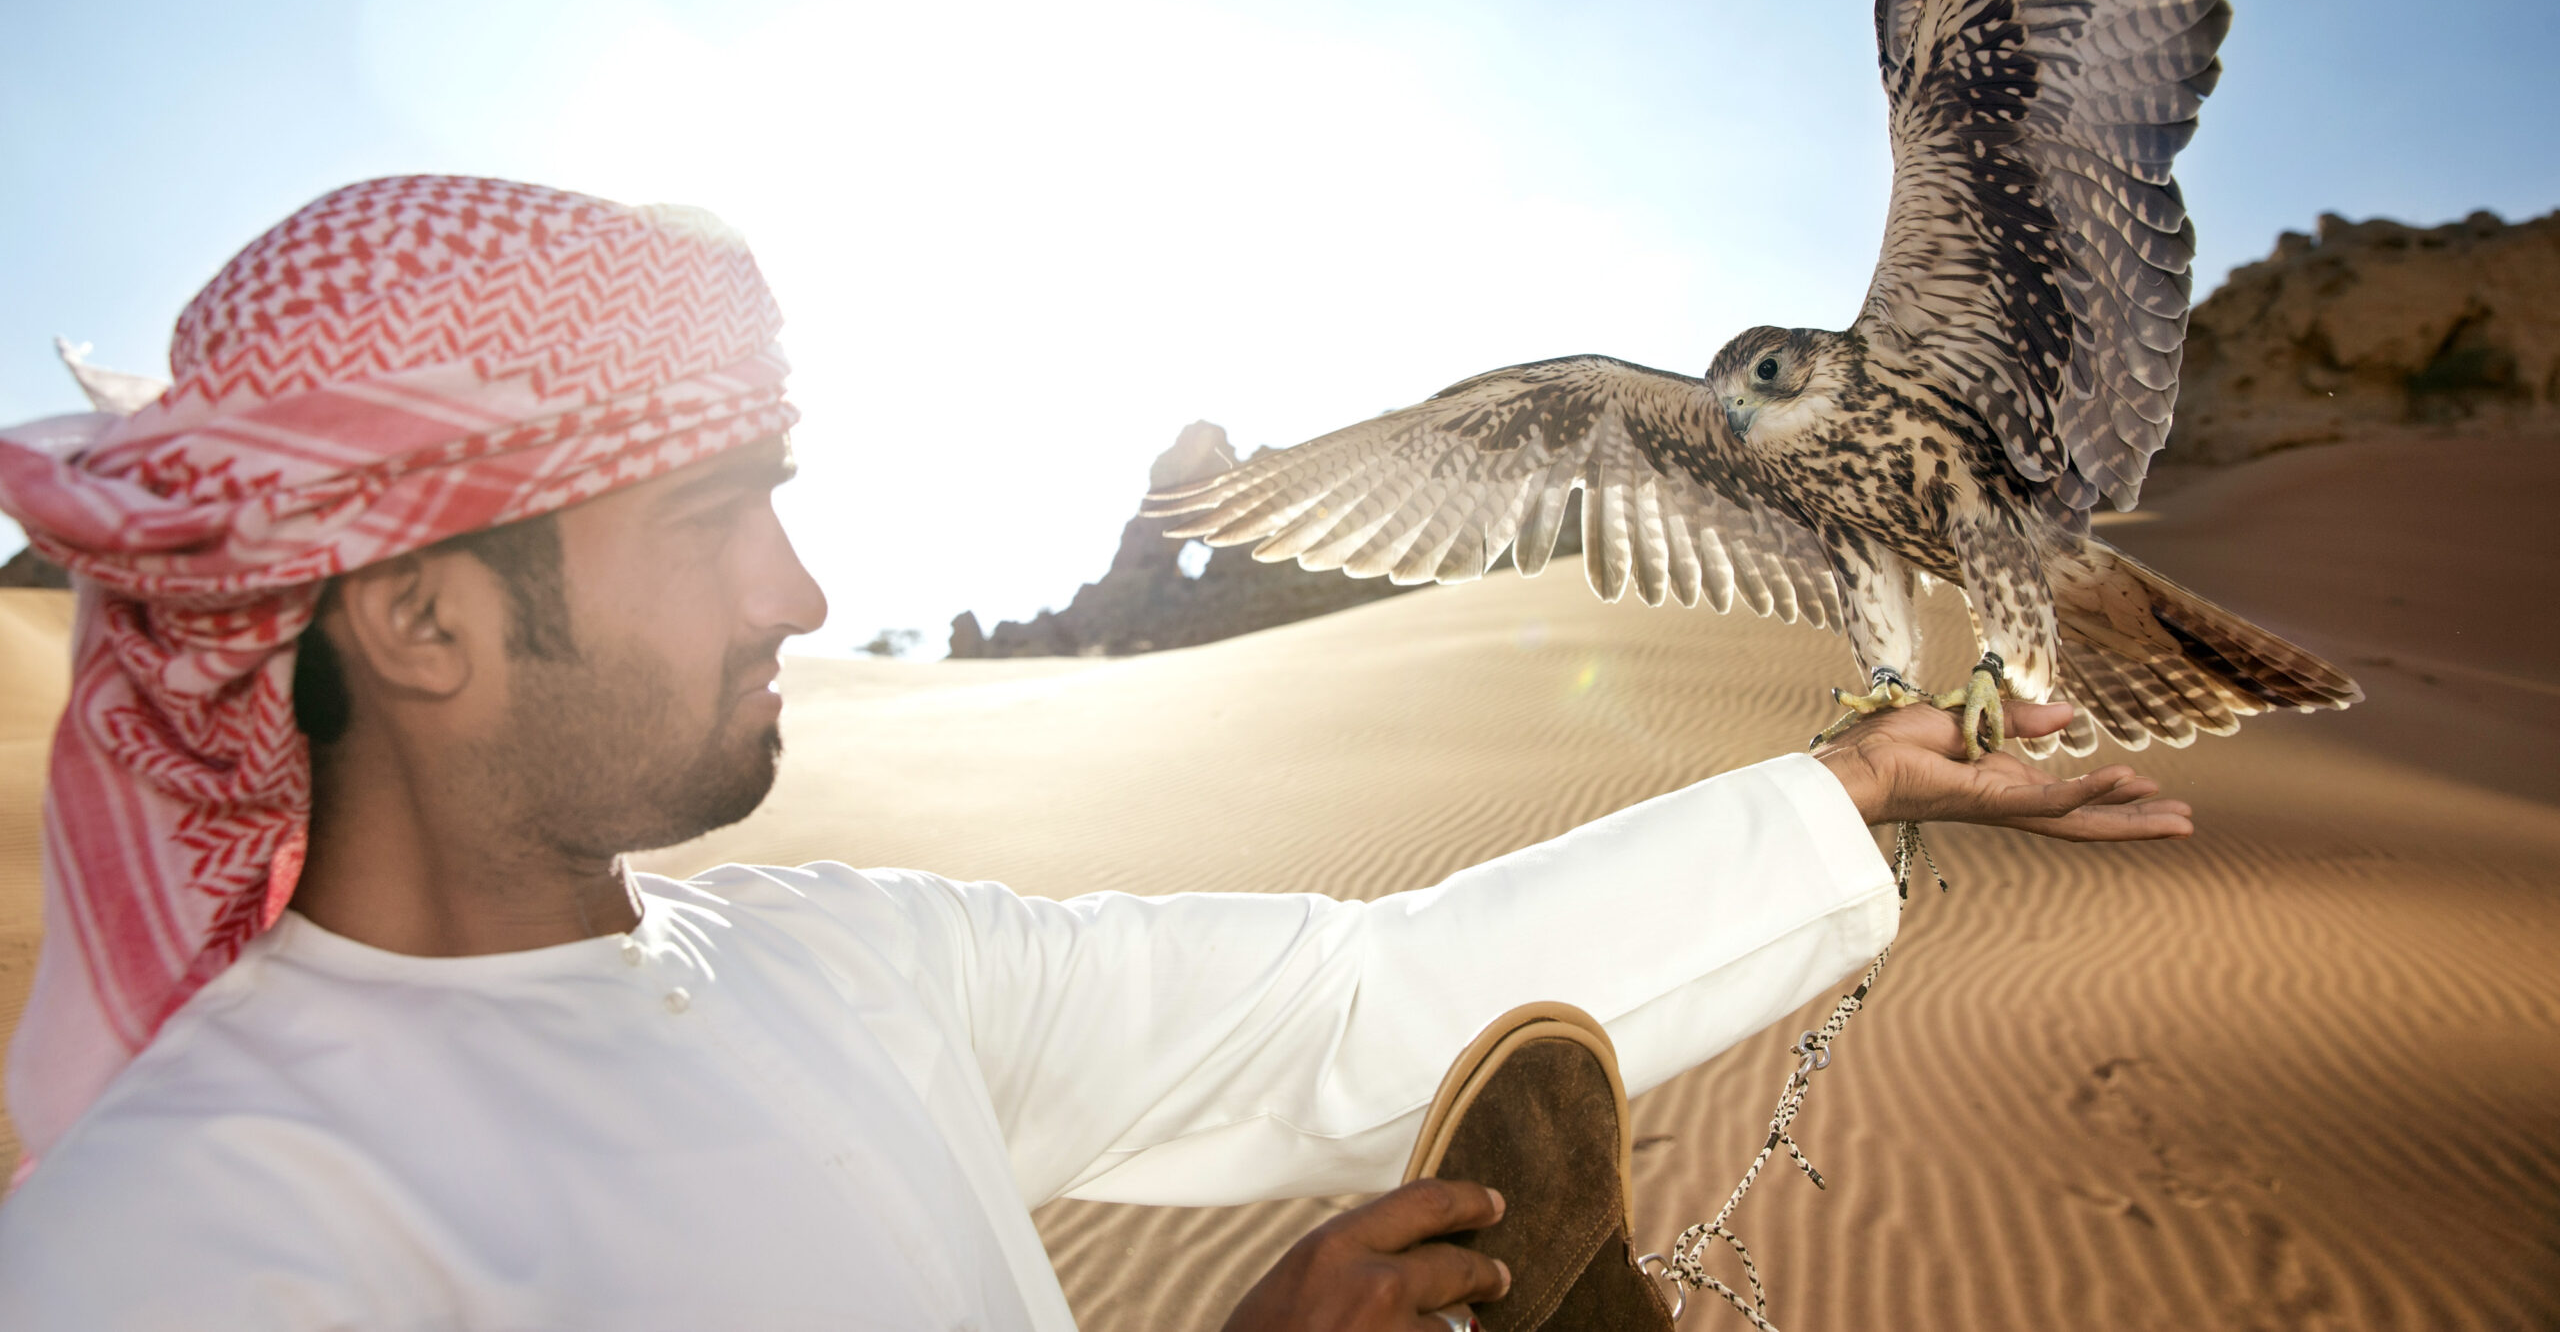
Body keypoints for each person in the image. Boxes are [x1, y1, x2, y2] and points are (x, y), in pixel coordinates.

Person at [0, 177, 2190, 1329]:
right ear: (416, 616)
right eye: (704, 517)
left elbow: (1353, 1009)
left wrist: (1858, 786)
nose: (793, 589)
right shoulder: (186, 1237)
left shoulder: (833, 957)